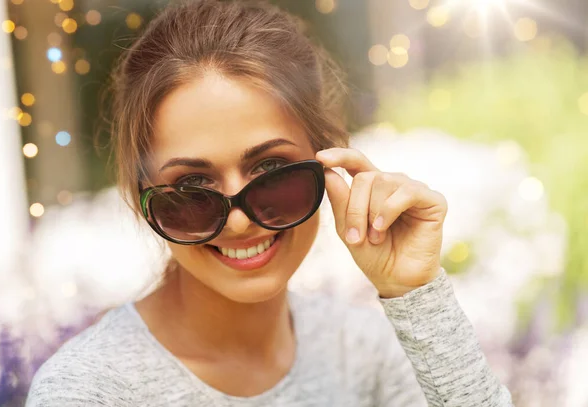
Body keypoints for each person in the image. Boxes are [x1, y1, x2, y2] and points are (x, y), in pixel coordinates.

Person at [26, 0, 513, 405]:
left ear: (329, 160)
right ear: (141, 199)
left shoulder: (366, 352)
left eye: (270, 170)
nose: (238, 221)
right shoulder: (88, 390)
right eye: (193, 186)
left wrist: (417, 294)